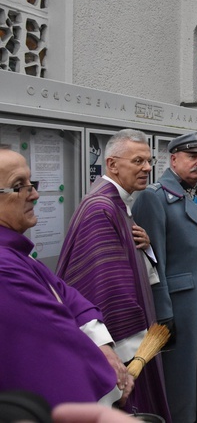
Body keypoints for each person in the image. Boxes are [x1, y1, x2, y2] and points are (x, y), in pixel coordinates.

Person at [0, 149, 133, 408]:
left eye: (31, 184)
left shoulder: (15, 252)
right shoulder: (5, 268)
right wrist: (110, 376)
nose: (35, 195)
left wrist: (102, 344)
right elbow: (54, 342)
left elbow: (65, 293)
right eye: (19, 187)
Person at [56, 129, 170, 421]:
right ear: (112, 164)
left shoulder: (118, 203)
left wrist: (145, 249)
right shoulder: (101, 208)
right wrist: (134, 352)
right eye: (138, 161)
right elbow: (107, 285)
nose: (147, 168)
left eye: (149, 160)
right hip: (120, 345)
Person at [132, 132, 197, 423]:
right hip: (179, 306)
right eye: (193, 157)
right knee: (182, 380)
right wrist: (162, 313)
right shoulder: (155, 198)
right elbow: (153, 262)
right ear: (173, 159)